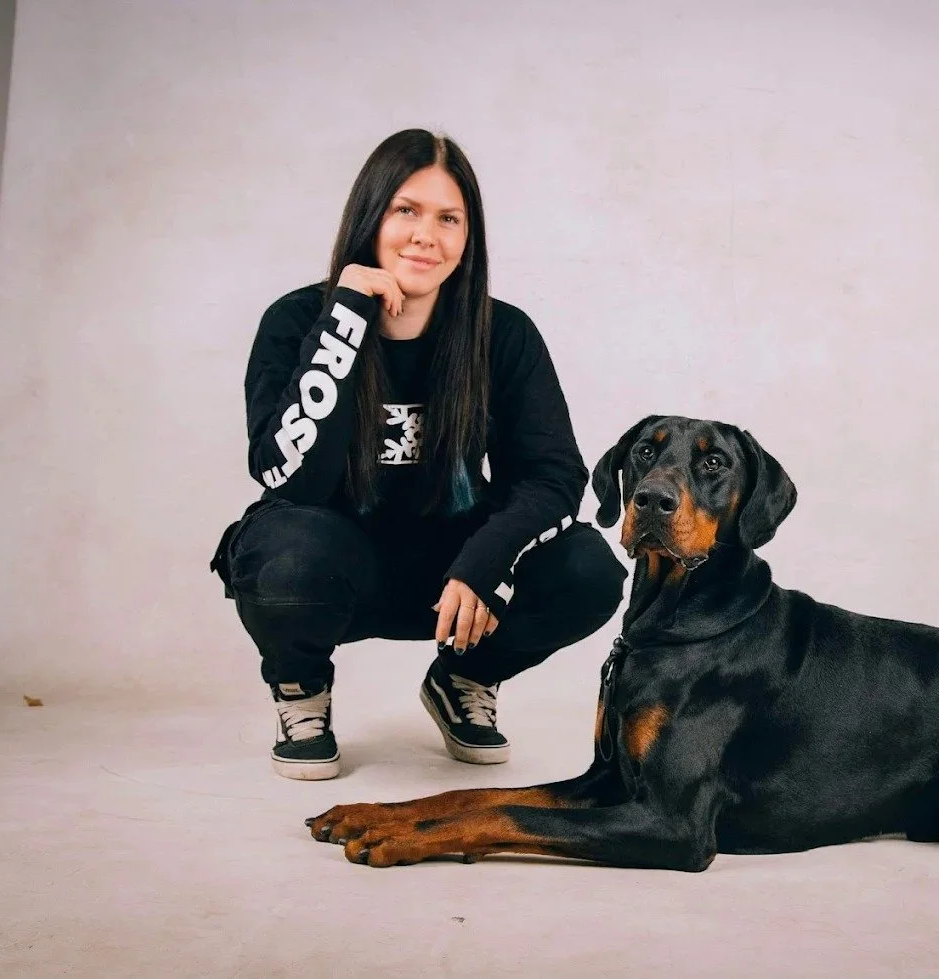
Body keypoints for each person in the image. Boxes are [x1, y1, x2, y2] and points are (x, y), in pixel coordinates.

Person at [210, 129, 627, 780]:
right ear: (370, 216)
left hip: (454, 576)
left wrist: (488, 561)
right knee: (284, 553)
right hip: (329, 565)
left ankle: (465, 678)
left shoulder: (503, 333)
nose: (426, 235)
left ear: (468, 236)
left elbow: (552, 475)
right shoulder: (297, 322)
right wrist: (347, 318)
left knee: (589, 568)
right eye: (406, 210)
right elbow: (288, 475)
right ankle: (300, 688)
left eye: (448, 218)